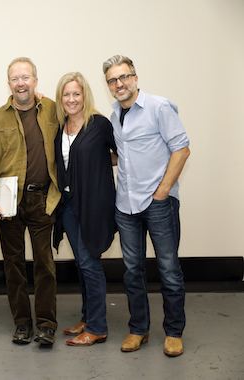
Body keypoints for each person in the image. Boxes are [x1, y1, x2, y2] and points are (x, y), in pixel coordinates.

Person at [102, 55, 190, 357]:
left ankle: (174, 331)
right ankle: (138, 328)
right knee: (132, 270)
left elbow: (181, 148)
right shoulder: (115, 115)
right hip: (125, 205)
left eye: (124, 77)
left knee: (168, 268)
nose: (119, 84)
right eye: (113, 80)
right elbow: (122, 154)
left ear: (135, 78)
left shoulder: (159, 106)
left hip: (157, 203)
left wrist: (163, 191)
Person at [0, 57, 60, 346]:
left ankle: (46, 324)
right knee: (13, 265)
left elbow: (79, 120)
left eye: (26, 77)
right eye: (15, 78)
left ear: (35, 81)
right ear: (9, 83)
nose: (21, 83)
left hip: (43, 198)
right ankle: (22, 324)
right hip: (8, 199)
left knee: (44, 264)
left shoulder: (52, 109)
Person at [52, 72, 116, 346]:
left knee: (90, 265)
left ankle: (98, 327)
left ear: (85, 95)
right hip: (67, 205)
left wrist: (97, 170)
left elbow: (120, 153)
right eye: (66, 94)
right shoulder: (60, 127)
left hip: (91, 206)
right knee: (82, 265)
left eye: (76, 93)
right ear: (61, 99)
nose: (71, 99)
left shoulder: (99, 125)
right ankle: (88, 318)